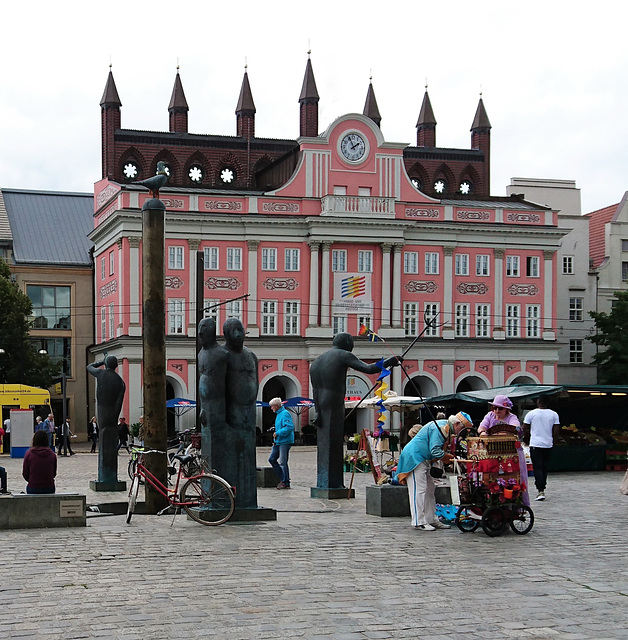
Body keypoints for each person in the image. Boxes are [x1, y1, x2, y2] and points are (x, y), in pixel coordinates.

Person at [310, 332, 402, 490]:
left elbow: (315, 390)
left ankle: (323, 482)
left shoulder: (317, 361)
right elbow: (369, 368)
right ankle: (334, 484)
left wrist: (318, 410)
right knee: (335, 442)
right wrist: (389, 362)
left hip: (322, 402)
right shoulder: (343, 354)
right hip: (335, 400)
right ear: (346, 342)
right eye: (351, 342)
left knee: (325, 442)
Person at [396, 413, 470, 530]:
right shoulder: (440, 428)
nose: (461, 432)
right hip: (415, 458)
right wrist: (448, 458)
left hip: (422, 459)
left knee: (430, 488)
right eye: (462, 428)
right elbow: (435, 450)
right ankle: (419, 521)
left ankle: (431, 519)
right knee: (418, 490)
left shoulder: (445, 427)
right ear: (456, 424)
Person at [478, 394, 530, 506]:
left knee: (514, 478)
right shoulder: (490, 415)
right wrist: (483, 432)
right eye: (495, 408)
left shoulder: (512, 417)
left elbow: (515, 428)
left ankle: (516, 505)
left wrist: (501, 434)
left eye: (500, 408)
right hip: (492, 454)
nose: (497, 410)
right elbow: (481, 427)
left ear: (506, 409)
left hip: (511, 454)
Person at [523, 395, 560, 501]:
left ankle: (540, 489)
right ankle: (542, 486)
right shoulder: (554, 414)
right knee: (544, 467)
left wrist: (526, 440)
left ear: (538, 402)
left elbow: (524, 429)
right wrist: (553, 441)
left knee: (537, 467)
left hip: (535, 444)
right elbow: (556, 431)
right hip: (548, 445)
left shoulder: (531, 414)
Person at [268, 397, 295, 489]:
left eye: (272, 406)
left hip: (285, 441)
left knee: (283, 462)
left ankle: (285, 482)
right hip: (278, 441)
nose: (271, 408)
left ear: (276, 406)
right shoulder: (278, 414)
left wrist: (278, 433)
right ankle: (283, 478)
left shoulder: (285, 414)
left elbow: (289, 427)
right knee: (272, 459)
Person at [22, 430, 57, 494]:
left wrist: (32, 480)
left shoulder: (29, 454)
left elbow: (25, 473)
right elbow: (54, 473)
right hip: (49, 487)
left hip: (33, 487)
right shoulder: (52, 454)